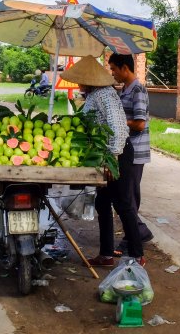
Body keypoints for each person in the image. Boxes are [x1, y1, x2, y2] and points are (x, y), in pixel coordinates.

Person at [59, 56, 141, 267]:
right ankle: (106, 254)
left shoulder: (104, 94)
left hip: (118, 154)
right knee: (103, 203)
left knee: (123, 204)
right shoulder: (94, 95)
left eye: (79, 80)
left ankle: (137, 254)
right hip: (107, 156)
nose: (78, 84)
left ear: (89, 80)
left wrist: (113, 157)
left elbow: (118, 125)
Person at [108, 54, 154, 254]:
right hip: (125, 150)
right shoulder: (124, 90)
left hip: (135, 152)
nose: (113, 73)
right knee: (123, 197)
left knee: (129, 198)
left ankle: (132, 238)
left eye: (114, 69)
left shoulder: (138, 90)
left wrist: (117, 120)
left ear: (124, 68)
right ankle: (140, 231)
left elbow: (140, 123)